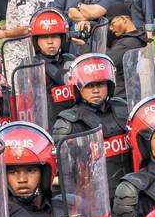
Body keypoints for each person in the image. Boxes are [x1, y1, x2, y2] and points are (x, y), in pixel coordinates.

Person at [50, 52, 131, 192]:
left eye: (100, 84)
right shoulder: (67, 123)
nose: (95, 90)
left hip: (130, 190)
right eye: (89, 85)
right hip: (92, 198)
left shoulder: (124, 109)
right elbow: (62, 176)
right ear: (78, 88)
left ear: (109, 85)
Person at [25, 9, 76, 119]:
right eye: (44, 37)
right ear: (36, 41)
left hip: (73, 120)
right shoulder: (30, 66)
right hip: (44, 123)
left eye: (54, 36)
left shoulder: (70, 60)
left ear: (62, 39)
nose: (50, 41)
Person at [106, 1, 150, 94]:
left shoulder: (127, 43)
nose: (110, 28)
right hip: (129, 92)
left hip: (120, 96)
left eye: (112, 23)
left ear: (123, 19)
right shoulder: (138, 37)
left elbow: (106, 62)